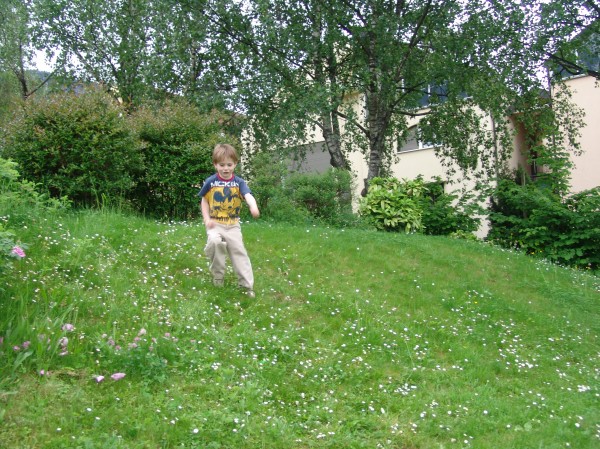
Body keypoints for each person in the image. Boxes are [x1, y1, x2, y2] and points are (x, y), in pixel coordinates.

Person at [198, 144, 260, 297]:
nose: (225, 168)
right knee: (215, 243)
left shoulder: (239, 182)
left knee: (239, 252)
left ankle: (246, 287)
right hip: (215, 223)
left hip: (232, 225)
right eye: (222, 165)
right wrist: (206, 219)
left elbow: (248, 195)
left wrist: (253, 206)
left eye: (229, 165)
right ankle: (218, 278)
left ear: (235, 164)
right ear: (215, 165)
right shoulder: (211, 182)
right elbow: (204, 201)